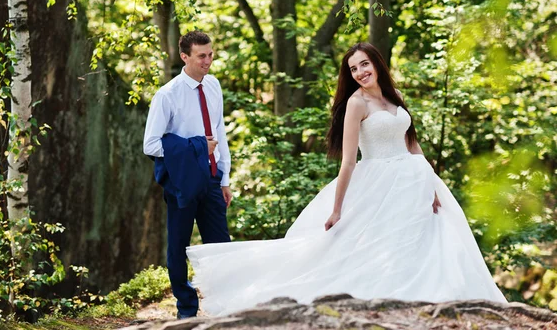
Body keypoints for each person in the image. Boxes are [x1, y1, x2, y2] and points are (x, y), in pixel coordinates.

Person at [187, 42, 507, 317]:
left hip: (414, 178)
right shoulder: (356, 104)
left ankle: (437, 297)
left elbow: (412, 143)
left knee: (433, 236)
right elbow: (349, 161)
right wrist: (337, 209)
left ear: (376, 64)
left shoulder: (394, 95)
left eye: (364, 64)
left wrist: (431, 183)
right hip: (379, 181)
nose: (360, 72)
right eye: (353, 68)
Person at [143, 30, 233, 319]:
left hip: (211, 178)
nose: (208, 61)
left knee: (221, 246)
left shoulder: (214, 85)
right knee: (178, 245)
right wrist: (196, 146)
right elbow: (151, 144)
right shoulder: (167, 95)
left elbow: (220, 131)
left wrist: (225, 177)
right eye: (201, 56)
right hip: (182, 180)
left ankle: (224, 305)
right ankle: (186, 309)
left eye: (210, 54)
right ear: (185, 57)